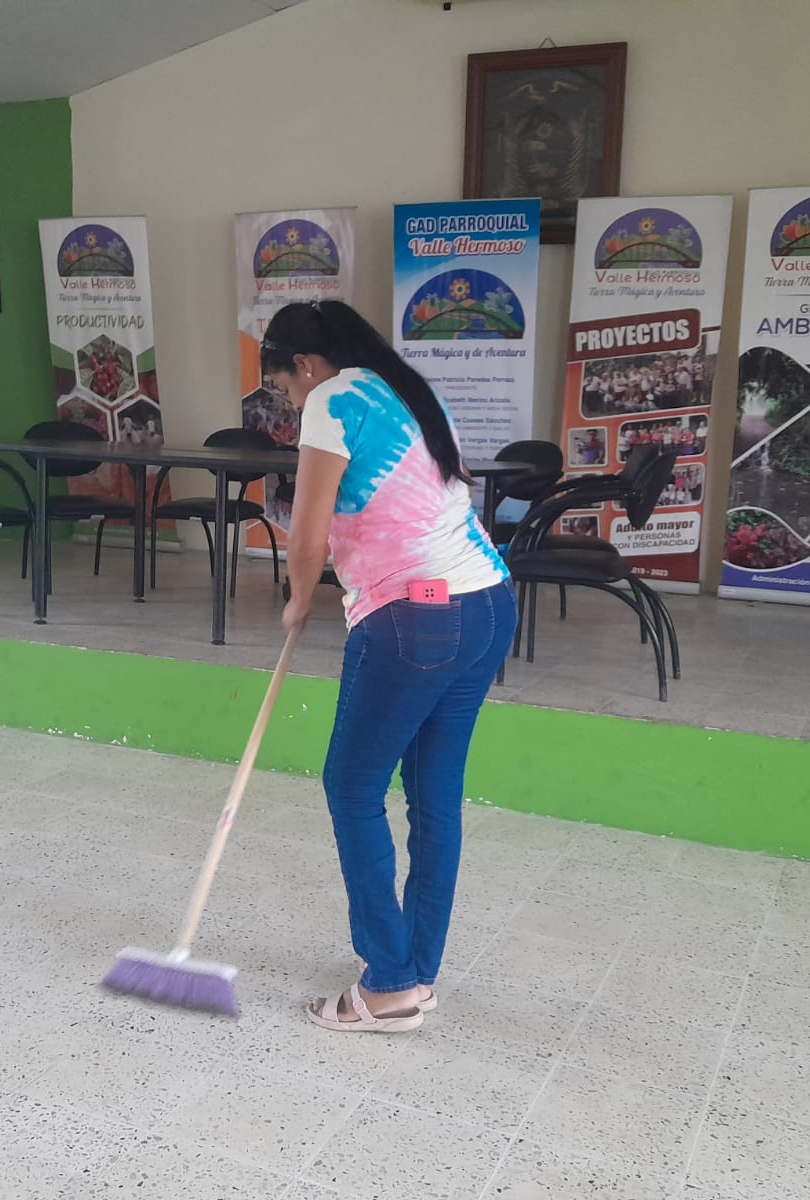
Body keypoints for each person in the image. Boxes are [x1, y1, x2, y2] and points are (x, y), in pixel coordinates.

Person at [261, 300, 516, 1034]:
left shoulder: (333, 400)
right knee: (435, 796)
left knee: (352, 787)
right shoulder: (406, 386)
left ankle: (388, 987)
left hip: (415, 619)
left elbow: (307, 537)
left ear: (305, 365)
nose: (291, 401)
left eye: (284, 386)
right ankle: (415, 974)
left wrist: (297, 599)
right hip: (489, 604)